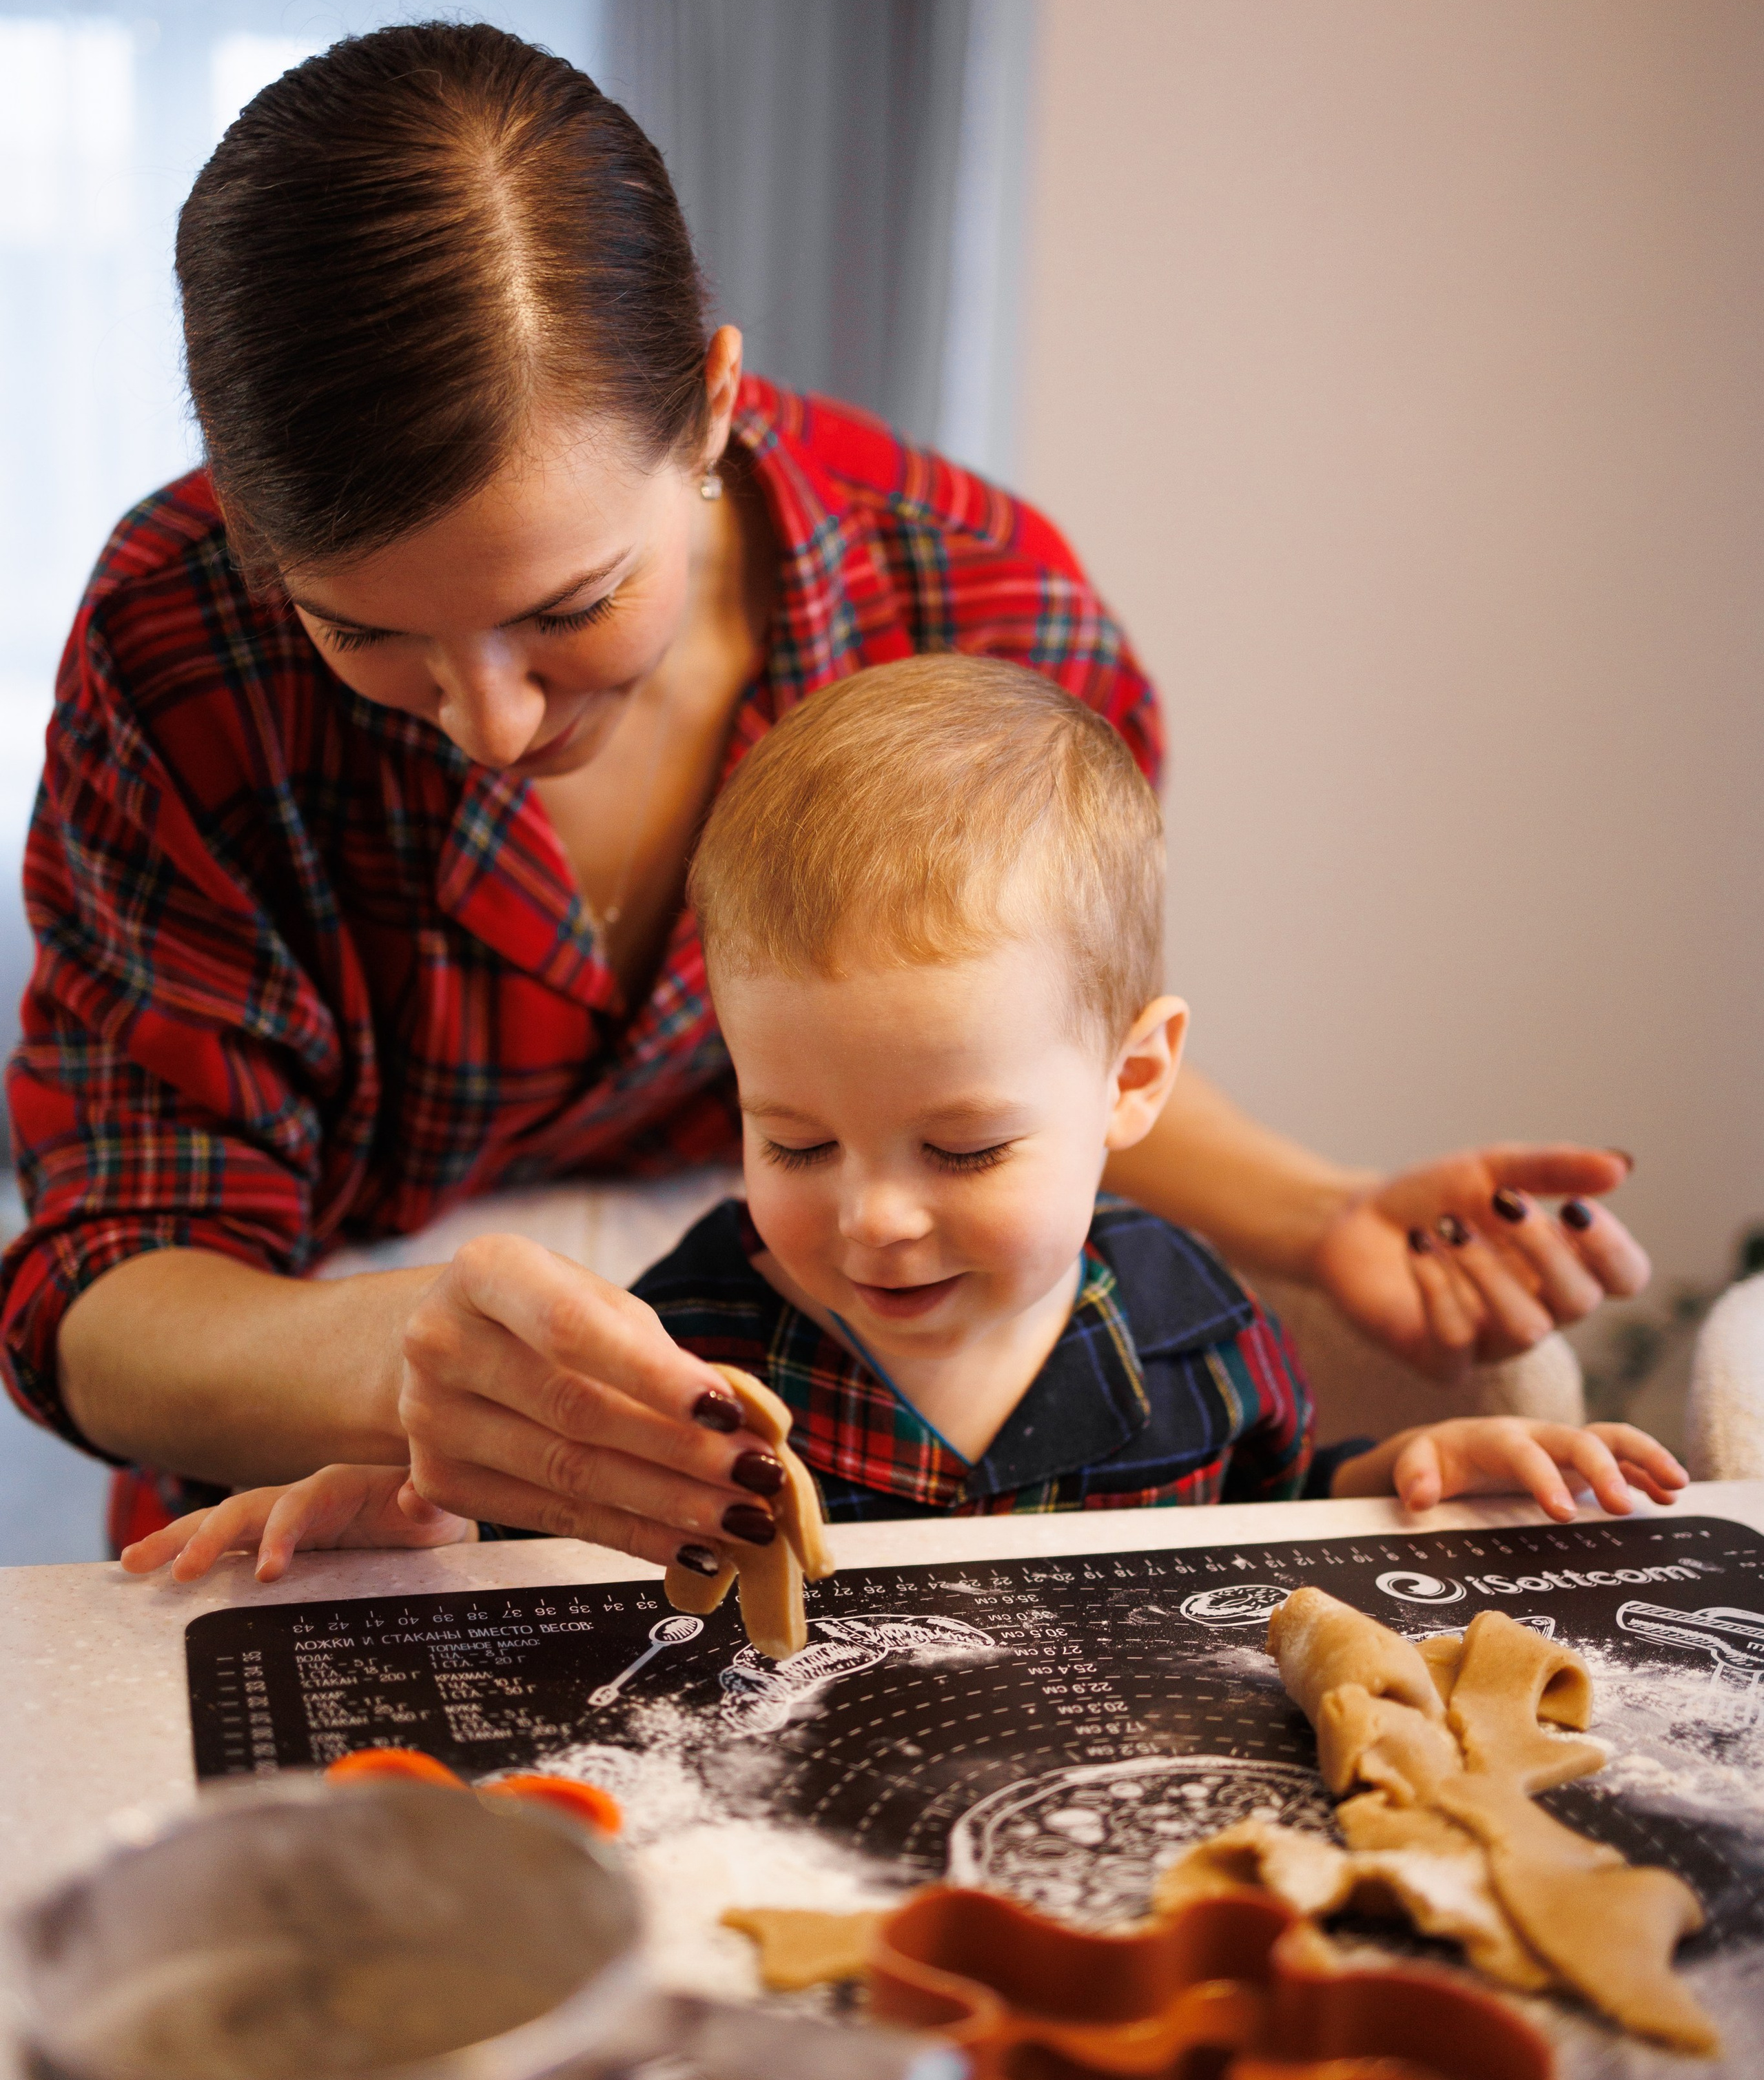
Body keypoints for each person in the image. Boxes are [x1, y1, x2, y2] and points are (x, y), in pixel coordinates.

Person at [5, 22, 1648, 1568]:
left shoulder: (985, 610)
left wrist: (1323, 1214)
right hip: (352, 1495)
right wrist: (384, 1373)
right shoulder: (174, 640)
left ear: (713, 404)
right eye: (362, 633)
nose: (488, 724)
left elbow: (1021, 1045)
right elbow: (103, 1278)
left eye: (569, 609)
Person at [125, 657, 1680, 1584]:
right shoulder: (688, 1342)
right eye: (793, 1141)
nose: (870, 1217)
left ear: (1133, 1079)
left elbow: (1255, 1520)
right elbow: (560, 1559)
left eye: (961, 1150)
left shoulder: (1194, 1327)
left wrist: (1400, 1479)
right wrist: (416, 1535)